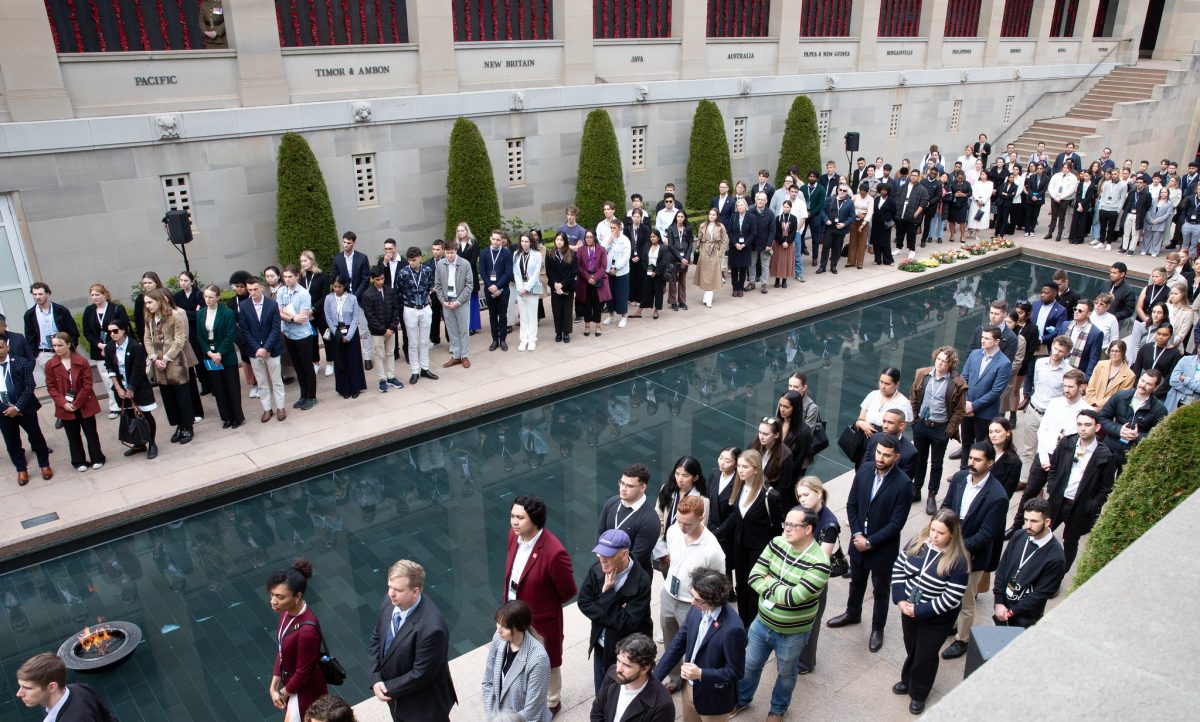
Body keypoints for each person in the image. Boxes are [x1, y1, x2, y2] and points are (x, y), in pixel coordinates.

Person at [735, 506, 830, 722]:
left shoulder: (820, 563)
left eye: (792, 525)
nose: (786, 529)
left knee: (786, 674)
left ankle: (778, 709)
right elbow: (753, 576)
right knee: (750, 665)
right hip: (761, 623)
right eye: (785, 524)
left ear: (808, 529)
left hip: (792, 633)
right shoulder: (777, 543)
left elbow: (792, 598)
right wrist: (777, 587)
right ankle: (741, 699)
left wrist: (769, 581)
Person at [827, 436, 911, 652]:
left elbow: (896, 524)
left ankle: (877, 628)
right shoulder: (864, 470)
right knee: (856, 581)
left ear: (896, 457)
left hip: (882, 547)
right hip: (858, 541)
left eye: (886, 455)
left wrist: (871, 541)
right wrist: (857, 534)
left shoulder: (903, 484)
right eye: (878, 452)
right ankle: (852, 613)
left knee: (881, 590)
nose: (880, 458)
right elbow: (852, 504)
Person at [890, 509, 970, 715]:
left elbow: (951, 598)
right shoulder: (917, 542)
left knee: (925, 654)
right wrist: (900, 600)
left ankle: (919, 692)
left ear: (952, 534)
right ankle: (907, 679)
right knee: (912, 646)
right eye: (933, 529)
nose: (934, 536)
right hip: (908, 608)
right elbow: (899, 568)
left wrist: (919, 610)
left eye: (940, 533)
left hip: (935, 618)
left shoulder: (959, 561)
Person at [504, 495, 577, 714]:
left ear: (534, 520)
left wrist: (544, 604)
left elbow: (568, 591)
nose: (514, 522)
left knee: (548, 660)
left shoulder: (554, 552)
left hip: (541, 619)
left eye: (520, 517)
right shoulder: (513, 536)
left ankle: (552, 702)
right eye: (512, 516)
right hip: (513, 612)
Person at [938, 443, 1008, 660]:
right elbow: (947, 506)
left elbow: (986, 534)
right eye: (971, 458)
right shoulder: (960, 479)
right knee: (947, 592)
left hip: (972, 556)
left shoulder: (997, 496)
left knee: (966, 601)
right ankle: (953, 624)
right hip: (950, 546)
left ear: (990, 463)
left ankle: (963, 639)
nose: (972, 463)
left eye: (978, 460)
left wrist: (956, 547)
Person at [368, 560, 458, 721]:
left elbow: (421, 674)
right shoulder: (390, 601)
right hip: (398, 700)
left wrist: (385, 687)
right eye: (390, 586)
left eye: (398, 590)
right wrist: (375, 678)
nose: (390, 593)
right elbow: (377, 637)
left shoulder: (432, 628)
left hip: (423, 708)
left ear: (415, 592)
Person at [653, 568, 744, 722]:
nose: (692, 602)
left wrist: (701, 674)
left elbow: (735, 672)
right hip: (688, 688)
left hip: (713, 698)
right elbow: (678, 643)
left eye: (697, 599)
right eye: (692, 595)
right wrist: (654, 679)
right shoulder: (697, 609)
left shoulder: (733, 629)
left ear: (713, 600)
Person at [657, 496, 725, 691]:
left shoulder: (712, 550)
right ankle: (674, 677)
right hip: (669, 595)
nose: (681, 526)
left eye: (687, 523)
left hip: (693, 604)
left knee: (694, 644)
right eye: (679, 520)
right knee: (670, 639)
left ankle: (692, 679)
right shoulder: (673, 531)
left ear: (701, 518)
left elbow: (719, 583)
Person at [578, 529, 654, 692]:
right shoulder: (597, 570)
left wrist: (607, 595)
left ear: (624, 554)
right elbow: (584, 602)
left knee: (622, 695)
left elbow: (628, 624)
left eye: (608, 555)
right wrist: (616, 611)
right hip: (601, 646)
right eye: (599, 554)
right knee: (602, 693)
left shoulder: (641, 581)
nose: (602, 559)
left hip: (627, 653)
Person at [718, 449, 786, 629]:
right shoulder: (739, 486)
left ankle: (753, 625)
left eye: (745, 467)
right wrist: (717, 533)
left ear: (756, 469)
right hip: (740, 545)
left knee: (755, 588)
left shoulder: (770, 495)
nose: (740, 470)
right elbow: (735, 516)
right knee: (740, 586)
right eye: (739, 466)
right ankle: (743, 622)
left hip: (760, 549)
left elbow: (778, 527)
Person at [1045, 410, 1117, 570]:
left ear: (1097, 427)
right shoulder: (1067, 443)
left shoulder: (1105, 455)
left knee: (1070, 542)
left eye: (1087, 425)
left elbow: (1106, 487)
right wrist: (1052, 487)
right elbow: (1054, 467)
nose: (1082, 428)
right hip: (1057, 501)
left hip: (1080, 507)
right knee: (1043, 532)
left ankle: (1059, 575)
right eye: (1079, 424)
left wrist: (1092, 505)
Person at [266, 559, 327, 720]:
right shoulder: (286, 613)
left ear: (297, 596)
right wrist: (273, 687)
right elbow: (282, 651)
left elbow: (302, 674)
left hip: (306, 692)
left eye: (279, 597)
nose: (273, 601)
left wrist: (282, 694)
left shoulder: (307, 631)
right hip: (292, 686)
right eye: (272, 595)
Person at [910, 347, 967, 513]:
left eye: (945, 361)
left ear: (951, 364)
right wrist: (914, 419)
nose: (940, 363)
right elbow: (914, 395)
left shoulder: (956, 383)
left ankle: (931, 495)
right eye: (939, 359)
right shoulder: (923, 374)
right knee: (919, 459)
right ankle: (916, 489)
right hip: (922, 424)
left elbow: (959, 410)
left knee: (936, 464)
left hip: (940, 428)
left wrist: (948, 431)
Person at [993, 498, 1066, 628]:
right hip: (1002, 607)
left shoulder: (1056, 558)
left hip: (1026, 618)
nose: (1028, 525)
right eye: (1026, 519)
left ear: (1047, 522)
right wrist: (998, 601)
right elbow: (1002, 567)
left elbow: (1039, 595)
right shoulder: (1019, 536)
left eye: (1034, 521)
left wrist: (1010, 612)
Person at [143, 288, 198, 444]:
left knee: (182, 396)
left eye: (150, 302)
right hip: (158, 365)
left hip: (174, 363)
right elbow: (147, 339)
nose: (147, 306)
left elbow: (179, 340)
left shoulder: (175, 316)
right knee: (169, 399)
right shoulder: (149, 318)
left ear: (159, 301)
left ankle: (188, 426)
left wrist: (166, 358)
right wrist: (154, 358)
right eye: (146, 303)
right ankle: (179, 425)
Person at [482, 600, 552, 722]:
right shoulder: (498, 638)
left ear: (519, 627)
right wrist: (491, 717)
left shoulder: (538, 659)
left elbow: (531, 712)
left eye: (504, 626)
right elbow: (488, 681)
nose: (498, 630)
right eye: (498, 623)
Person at [45, 332, 105, 473]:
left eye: (60, 345)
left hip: (84, 402)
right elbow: (51, 387)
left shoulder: (81, 361)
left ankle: (97, 458)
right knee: (72, 435)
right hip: (65, 405)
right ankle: (79, 461)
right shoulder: (50, 365)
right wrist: (63, 403)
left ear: (68, 344)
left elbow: (87, 384)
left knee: (91, 433)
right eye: (54, 346)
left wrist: (77, 403)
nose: (57, 348)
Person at [0, 336, 52, 485]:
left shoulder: (21, 363)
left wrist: (17, 408)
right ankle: (21, 469)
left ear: (7, 347)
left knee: (36, 437)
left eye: (1, 347)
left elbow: (29, 387)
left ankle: (44, 465)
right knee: (12, 442)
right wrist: (7, 409)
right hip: (4, 413)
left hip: (25, 409)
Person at [104, 318, 158, 460]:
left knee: (146, 416)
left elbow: (138, 369)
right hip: (121, 389)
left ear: (123, 330)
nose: (112, 334)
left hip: (139, 388)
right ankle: (139, 444)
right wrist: (118, 388)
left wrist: (131, 387)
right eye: (110, 332)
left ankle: (152, 443)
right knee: (131, 417)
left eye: (115, 331)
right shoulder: (109, 347)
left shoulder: (136, 346)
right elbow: (110, 368)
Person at [959, 326, 1012, 469]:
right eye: (982, 337)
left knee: (982, 445)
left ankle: (978, 471)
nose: (983, 341)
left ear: (997, 341)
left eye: (987, 338)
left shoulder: (1004, 363)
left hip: (984, 413)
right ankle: (963, 470)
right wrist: (965, 402)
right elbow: (964, 378)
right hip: (967, 407)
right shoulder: (975, 354)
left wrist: (973, 406)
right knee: (966, 442)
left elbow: (995, 392)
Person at [591, 633, 675, 722]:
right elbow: (597, 710)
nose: (618, 669)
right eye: (618, 660)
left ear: (645, 668)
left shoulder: (662, 706)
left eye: (627, 665)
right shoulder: (612, 673)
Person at [1098, 370, 1169, 473]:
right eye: (1142, 380)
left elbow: (1159, 436)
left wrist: (1137, 436)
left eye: (1148, 384)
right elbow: (1102, 417)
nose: (1143, 385)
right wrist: (1118, 430)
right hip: (1109, 448)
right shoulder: (1120, 396)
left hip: (1133, 454)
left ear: (1156, 387)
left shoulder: (1160, 409)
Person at [596, 463, 660, 574]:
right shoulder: (611, 503)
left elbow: (636, 558)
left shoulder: (650, 520)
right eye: (622, 483)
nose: (623, 489)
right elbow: (600, 533)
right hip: (607, 568)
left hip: (634, 579)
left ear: (643, 488)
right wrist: (602, 559)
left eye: (629, 486)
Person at [15, 652, 118, 721]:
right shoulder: (79, 688)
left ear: (52, 687)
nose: (19, 694)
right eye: (20, 686)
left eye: (28, 688)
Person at [240, 276, 288, 422]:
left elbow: (275, 329)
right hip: (254, 351)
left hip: (272, 349)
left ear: (261, 287)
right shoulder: (244, 305)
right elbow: (245, 330)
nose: (252, 293)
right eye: (249, 290)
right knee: (261, 382)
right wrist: (257, 348)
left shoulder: (272, 305)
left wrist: (266, 348)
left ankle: (281, 407)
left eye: (255, 289)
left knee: (276, 380)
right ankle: (267, 409)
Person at [197, 284, 244, 429]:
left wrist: (220, 353)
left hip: (226, 355)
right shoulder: (201, 313)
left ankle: (237, 417)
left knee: (232, 386)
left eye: (211, 297)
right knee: (219, 388)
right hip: (210, 355)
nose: (207, 299)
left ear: (218, 298)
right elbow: (200, 335)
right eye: (205, 296)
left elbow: (230, 335)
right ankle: (226, 417)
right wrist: (210, 353)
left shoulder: (227, 312)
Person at [80, 284, 129, 419]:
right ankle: (114, 406)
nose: (95, 298)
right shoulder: (89, 310)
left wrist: (110, 346)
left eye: (97, 295)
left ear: (105, 295)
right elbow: (87, 332)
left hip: (117, 347)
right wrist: (100, 345)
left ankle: (128, 402)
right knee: (108, 379)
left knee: (122, 375)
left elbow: (124, 327)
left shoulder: (116, 308)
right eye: (92, 295)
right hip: (99, 351)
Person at [395, 247, 439, 385]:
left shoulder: (427, 270)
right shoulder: (403, 273)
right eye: (409, 260)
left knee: (425, 341)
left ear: (420, 257)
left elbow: (431, 285)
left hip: (425, 307)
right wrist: (408, 302)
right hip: (410, 309)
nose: (411, 263)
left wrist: (427, 296)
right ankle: (415, 370)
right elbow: (398, 291)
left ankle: (425, 368)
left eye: (414, 260)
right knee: (413, 342)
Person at [278, 264, 320, 409]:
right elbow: (279, 312)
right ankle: (303, 394)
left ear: (297, 276)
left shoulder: (303, 294)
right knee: (297, 366)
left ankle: (311, 396)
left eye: (290, 276)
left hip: (302, 335)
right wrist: (291, 318)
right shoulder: (281, 291)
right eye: (285, 277)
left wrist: (288, 315)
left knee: (306, 366)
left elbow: (302, 317)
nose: (287, 279)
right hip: (288, 333)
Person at [23, 282, 80, 386]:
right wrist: (36, 354)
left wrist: (70, 348)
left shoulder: (61, 310)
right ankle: (62, 402)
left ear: (48, 294)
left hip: (64, 350)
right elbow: (29, 336)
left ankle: (74, 401)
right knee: (55, 383)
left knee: (72, 380)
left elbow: (73, 331)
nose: (37, 297)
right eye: (35, 294)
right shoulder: (30, 315)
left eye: (40, 294)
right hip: (44, 353)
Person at [330, 231, 373, 368]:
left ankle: (367, 357)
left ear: (354, 243)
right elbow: (335, 279)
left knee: (364, 329)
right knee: (345, 328)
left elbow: (366, 279)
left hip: (359, 299)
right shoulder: (337, 259)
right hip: (344, 299)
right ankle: (350, 356)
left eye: (349, 243)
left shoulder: (362, 258)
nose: (346, 245)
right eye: (344, 242)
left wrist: (356, 295)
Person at [854, 368, 913, 463]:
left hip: (885, 443)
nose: (882, 386)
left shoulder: (903, 403)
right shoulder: (873, 395)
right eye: (881, 382)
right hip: (865, 438)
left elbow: (901, 428)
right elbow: (861, 417)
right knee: (861, 468)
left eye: (887, 384)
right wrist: (861, 423)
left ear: (896, 384)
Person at [323, 276, 368, 399]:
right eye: (335, 286)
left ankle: (355, 387)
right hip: (336, 330)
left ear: (344, 286)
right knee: (340, 360)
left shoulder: (352, 298)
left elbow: (355, 318)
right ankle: (344, 388)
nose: (337, 289)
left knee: (353, 359)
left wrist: (348, 336)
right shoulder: (329, 298)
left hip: (350, 330)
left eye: (339, 287)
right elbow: (328, 317)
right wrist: (336, 334)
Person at [361, 266, 403, 394]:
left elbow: (396, 309)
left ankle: (391, 377)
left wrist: (391, 327)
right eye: (378, 279)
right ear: (373, 279)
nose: (381, 281)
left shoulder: (390, 291)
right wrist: (383, 330)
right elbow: (370, 316)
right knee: (379, 355)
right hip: (378, 332)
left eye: (382, 278)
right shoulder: (367, 294)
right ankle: (382, 379)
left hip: (390, 329)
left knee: (390, 353)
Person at [436, 242, 473, 368]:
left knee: (463, 330)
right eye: (447, 253)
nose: (450, 255)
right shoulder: (440, 264)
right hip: (447, 302)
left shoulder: (465, 264)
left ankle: (465, 355)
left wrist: (458, 302)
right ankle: (456, 356)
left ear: (456, 251)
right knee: (452, 330)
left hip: (460, 301)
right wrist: (443, 301)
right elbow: (438, 285)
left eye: (452, 252)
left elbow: (469, 286)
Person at [173, 270, 210, 396]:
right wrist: (192, 313)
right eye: (181, 280)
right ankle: (204, 384)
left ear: (192, 282)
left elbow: (201, 314)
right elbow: (177, 314)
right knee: (195, 359)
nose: (183, 283)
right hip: (186, 331)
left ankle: (212, 384)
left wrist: (185, 312)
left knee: (204, 356)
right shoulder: (177, 296)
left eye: (186, 280)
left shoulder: (199, 294)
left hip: (199, 330)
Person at [479, 229, 514, 351]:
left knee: (503, 315)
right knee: (492, 315)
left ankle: (503, 339)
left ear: (502, 241)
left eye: (498, 240)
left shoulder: (506, 254)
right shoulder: (484, 253)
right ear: (490, 238)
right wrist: (490, 286)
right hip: (489, 290)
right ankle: (494, 340)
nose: (495, 242)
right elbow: (482, 271)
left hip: (503, 289)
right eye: (493, 239)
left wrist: (498, 286)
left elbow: (508, 272)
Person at [300, 250, 333, 377]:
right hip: (307, 315)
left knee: (327, 337)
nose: (303, 263)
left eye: (305, 260)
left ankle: (330, 362)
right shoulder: (301, 278)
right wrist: (306, 312)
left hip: (321, 313)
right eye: (301, 261)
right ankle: (315, 362)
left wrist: (313, 309)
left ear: (311, 260)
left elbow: (325, 296)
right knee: (312, 339)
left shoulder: (322, 276)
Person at [750, 417, 795, 504]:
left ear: (776, 435)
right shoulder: (754, 444)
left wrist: (770, 498)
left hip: (767, 497)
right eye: (760, 432)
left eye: (765, 434)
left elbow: (783, 485)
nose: (761, 437)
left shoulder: (786, 455)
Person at [1131, 324, 1183, 399]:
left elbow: (1170, 377)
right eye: (1158, 334)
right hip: (1140, 385)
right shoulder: (1146, 347)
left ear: (1170, 336)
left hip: (1158, 389)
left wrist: (1157, 393)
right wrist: (1136, 385)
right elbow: (1137, 367)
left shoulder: (1175, 354)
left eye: (1165, 335)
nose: (1160, 337)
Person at [512, 233, 544, 351]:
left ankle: (532, 340)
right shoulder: (516, 254)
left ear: (531, 242)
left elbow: (536, 274)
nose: (524, 243)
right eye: (522, 241)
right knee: (523, 316)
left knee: (532, 315)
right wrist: (521, 288)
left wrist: (527, 288)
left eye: (526, 241)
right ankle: (523, 340)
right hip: (520, 290)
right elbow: (516, 272)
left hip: (532, 288)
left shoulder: (537, 255)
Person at [1085, 339, 1136, 409]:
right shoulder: (1100, 364)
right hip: (1090, 404)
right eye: (1112, 351)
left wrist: (1098, 405)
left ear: (1123, 353)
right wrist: (1093, 404)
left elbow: (1120, 397)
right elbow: (1091, 386)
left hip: (1109, 410)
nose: (1114, 354)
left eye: (1117, 351)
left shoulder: (1130, 375)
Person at [578, 230, 611, 335]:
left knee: (597, 304)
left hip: (597, 279)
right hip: (585, 280)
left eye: (591, 237)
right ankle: (587, 325)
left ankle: (598, 325)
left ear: (595, 237)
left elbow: (603, 266)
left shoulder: (601, 249)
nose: (588, 239)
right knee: (586, 304)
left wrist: (595, 278)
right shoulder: (581, 250)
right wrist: (588, 278)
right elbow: (579, 266)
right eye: (587, 237)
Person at [775, 390, 813, 481]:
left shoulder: (804, 431)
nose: (782, 409)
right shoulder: (776, 423)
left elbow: (799, 461)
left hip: (788, 478)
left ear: (795, 408)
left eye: (786, 407)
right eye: (780, 405)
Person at [637, 229, 674, 319]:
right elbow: (644, 260)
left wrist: (656, 272)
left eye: (654, 237)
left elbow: (664, 262)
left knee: (658, 292)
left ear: (658, 237)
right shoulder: (647, 246)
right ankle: (639, 311)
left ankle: (656, 310)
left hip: (659, 272)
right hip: (648, 270)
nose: (652, 238)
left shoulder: (663, 248)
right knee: (646, 291)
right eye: (651, 237)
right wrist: (647, 270)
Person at [694, 208, 727, 306]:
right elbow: (699, 238)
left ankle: (709, 299)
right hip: (704, 251)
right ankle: (706, 296)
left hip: (715, 251)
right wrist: (700, 249)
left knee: (712, 275)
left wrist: (720, 253)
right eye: (710, 214)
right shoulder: (703, 225)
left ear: (717, 216)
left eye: (714, 214)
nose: (711, 216)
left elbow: (724, 241)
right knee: (705, 275)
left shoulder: (721, 226)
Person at [666, 209, 694, 308]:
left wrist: (686, 258)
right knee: (672, 280)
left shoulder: (688, 228)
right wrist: (680, 258)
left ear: (685, 218)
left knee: (682, 280)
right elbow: (670, 245)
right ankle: (673, 302)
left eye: (682, 217)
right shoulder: (671, 228)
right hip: (673, 258)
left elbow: (691, 244)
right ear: (676, 217)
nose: (680, 218)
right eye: (678, 216)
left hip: (685, 258)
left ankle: (682, 301)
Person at [770, 199, 801, 286]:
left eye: (787, 207)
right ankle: (777, 279)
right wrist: (782, 241)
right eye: (784, 207)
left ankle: (784, 280)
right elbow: (775, 231)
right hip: (779, 243)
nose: (785, 208)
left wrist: (788, 242)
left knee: (786, 262)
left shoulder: (793, 218)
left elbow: (794, 231)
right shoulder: (778, 218)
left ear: (790, 208)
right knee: (778, 261)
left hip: (789, 244)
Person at [847, 181, 873, 270]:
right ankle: (851, 261)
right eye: (861, 192)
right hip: (855, 219)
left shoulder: (870, 199)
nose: (863, 194)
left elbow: (870, 213)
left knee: (862, 242)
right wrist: (857, 213)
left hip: (864, 220)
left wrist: (863, 224)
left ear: (867, 192)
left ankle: (860, 262)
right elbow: (850, 207)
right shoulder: (855, 197)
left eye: (864, 193)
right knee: (853, 241)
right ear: (859, 190)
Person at [869, 184, 894, 265]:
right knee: (876, 242)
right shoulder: (876, 199)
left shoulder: (891, 200)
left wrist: (889, 220)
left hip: (885, 224)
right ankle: (877, 260)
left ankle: (888, 260)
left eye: (885, 190)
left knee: (885, 242)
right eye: (882, 190)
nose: (883, 191)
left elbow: (894, 212)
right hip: (876, 223)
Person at [968, 168, 994, 240]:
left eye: (984, 174)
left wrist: (982, 201)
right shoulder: (976, 182)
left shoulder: (990, 183)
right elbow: (974, 192)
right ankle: (971, 230)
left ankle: (977, 233)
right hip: (975, 202)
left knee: (980, 217)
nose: (982, 176)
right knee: (973, 216)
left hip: (984, 203)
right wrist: (977, 200)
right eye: (981, 174)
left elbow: (989, 193)